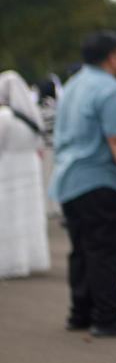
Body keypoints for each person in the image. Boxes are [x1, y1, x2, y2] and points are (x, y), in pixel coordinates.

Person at [49, 31, 116, 337]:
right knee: (106, 248)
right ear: (112, 56)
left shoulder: (73, 85)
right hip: (99, 178)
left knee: (82, 248)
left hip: (68, 178)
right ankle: (107, 314)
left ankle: (80, 311)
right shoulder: (110, 90)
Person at [0, 71, 50, 279]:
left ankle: (9, 261)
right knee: (28, 216)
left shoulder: (5, 117)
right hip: (29, 170)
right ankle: (30, 259)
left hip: (8, 169)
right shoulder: (32, 119)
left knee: (8, 216)